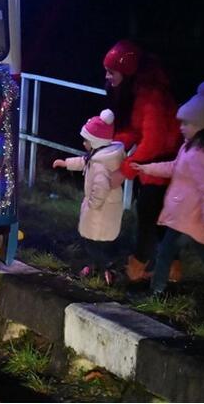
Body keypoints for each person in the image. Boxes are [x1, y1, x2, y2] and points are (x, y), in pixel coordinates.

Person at [104, 40, 183, 282]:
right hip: (154, 167)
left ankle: (139, 267)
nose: (107, 77)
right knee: (157, 219)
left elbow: (154, 141)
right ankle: (170, 268)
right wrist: (113, 145)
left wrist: (124, 170)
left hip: (161, 168)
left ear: (126, 72)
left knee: (148, 217)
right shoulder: (141, 94)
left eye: (111, 72)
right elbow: (138, 131)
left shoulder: (151, 97)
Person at [131, 82, 204, 296]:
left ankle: (158, 289)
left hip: (192, 219)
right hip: (181, 217)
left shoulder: (199, 155)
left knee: (181, 252)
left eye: (187, 123)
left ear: (202, 126)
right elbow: (173, 167)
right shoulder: (188, 147)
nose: (181, 127)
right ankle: (157, 290)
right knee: (166, 252)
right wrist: (147, 168)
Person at [52, 109, 126, 283]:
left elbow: (100, 188)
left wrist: (92, 205)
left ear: (95, 142)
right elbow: (84, 161)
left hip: (100, 209)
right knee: (99, 240)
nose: (84, 143)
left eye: (86, 140)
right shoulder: (100, 156)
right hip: (107, 207)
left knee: (92, 241)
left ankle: (105, 269)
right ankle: (97, 267)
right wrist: (66, 163)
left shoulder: (100, 165)